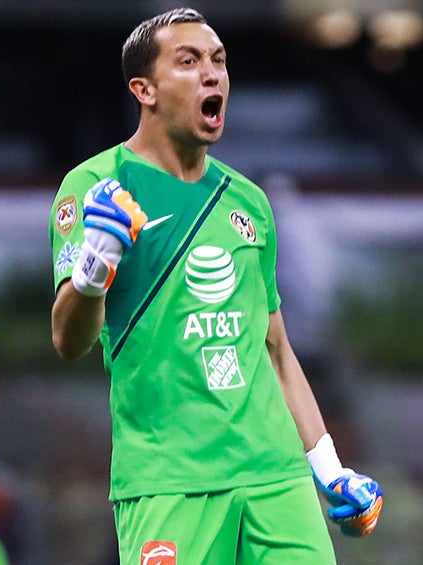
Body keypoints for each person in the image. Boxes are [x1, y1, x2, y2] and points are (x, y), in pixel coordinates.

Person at [48, 7, 382, 564]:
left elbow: (275, 352)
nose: (212, 75)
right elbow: (68, 339)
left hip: (275, 479)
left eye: (219, 62)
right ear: (145, 89)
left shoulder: (248, 202)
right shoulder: (96, 185)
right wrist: (95, 264)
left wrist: (328, 468)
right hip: (171, 482)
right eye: (189, 61)